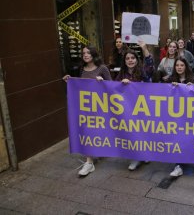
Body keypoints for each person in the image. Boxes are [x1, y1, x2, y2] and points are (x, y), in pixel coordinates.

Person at [62, 45, 112, 176]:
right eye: (83, 53)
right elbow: (77, 86)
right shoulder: (80, 69)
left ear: (94, 54)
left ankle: (98, 152)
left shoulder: (102, 68)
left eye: (88, 53)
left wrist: (103, 83)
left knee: (98, 132)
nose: (85, 55)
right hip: (85, 108)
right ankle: (89, 162)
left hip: (100, 107)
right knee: (88, 132)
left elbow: (112, 87)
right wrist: (69, 81)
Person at [115, 42, 154, 171]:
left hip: (142, 108)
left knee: (143, 132)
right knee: (131, 133)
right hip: (127, 110)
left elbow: (150, 66)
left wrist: (144, 48)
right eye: (127, 58)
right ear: (124, 61)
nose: (130, 61)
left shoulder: (142, 71)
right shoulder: (121, 75)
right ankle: (135, 157)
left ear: (136, 60)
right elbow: (112, 90)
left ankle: (145, 153)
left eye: (132, 58)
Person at [167, 57, 194, 177]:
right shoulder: (170, 79)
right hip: (175, 116)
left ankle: (187, 158)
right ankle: (178, 165)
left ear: (186, 67)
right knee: (177, 139)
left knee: (187, 139)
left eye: (182, 65)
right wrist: (171, 87)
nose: (179, 67)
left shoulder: (193, 79)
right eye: (177, 65)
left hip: (190, 116)